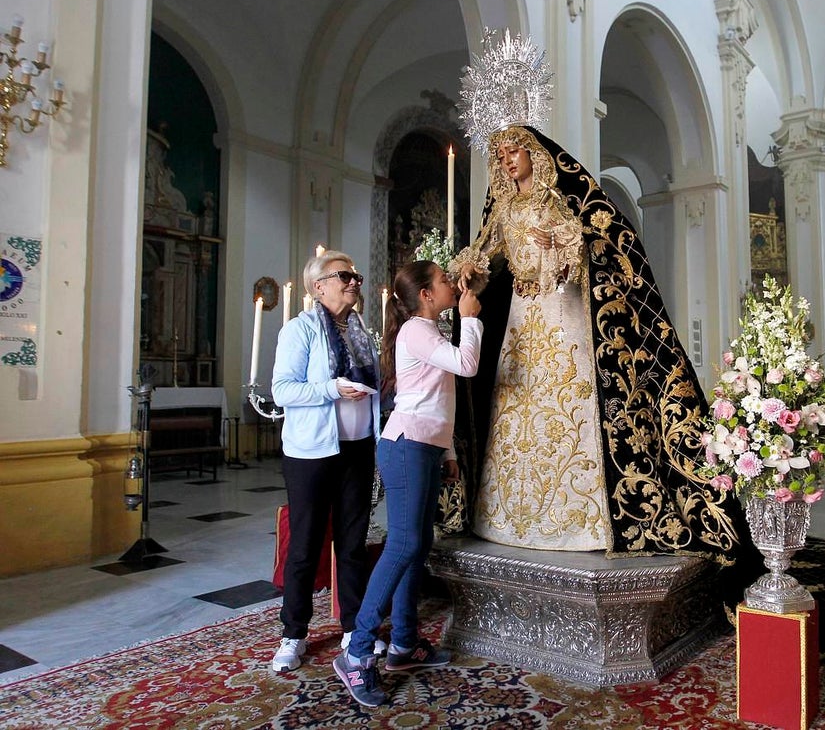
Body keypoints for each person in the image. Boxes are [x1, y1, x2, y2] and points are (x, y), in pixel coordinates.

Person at [451, 124, 750, 566]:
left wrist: (564, 247)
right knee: (516, 413)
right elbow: (487, 256)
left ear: (536, 154)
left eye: (516, 152)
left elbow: (602, 243)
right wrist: (471, 274)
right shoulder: (505, 208)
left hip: (562, 316)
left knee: (570, 407)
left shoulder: (558, 200)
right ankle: (508, 515)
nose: (508, 161)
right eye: (502, 156)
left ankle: (583, 518)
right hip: (520, 320)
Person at [334, 260, 482, 708]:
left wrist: (449, 452)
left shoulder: (428, 330)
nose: (451, 286)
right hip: (406, 446)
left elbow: (438, 394)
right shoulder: (417, 330)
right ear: (424, 294)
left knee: (418, 544)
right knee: (402, 544)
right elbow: (467, 365)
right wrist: (472, 317)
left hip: (426, 445)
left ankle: (402, 645)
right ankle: (358, 653)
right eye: (443, 281)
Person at [269, 251, 380, 673]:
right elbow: (283, 390)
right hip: (311, 452)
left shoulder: (360, 332)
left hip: (356, 448)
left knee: (352, 543)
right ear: (319, 286)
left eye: (356, 276)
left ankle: (355, 629)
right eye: (344, 276)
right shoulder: (300, 330)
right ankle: (293, 633)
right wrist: (333, 388)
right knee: (305, 545)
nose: (355, 282)